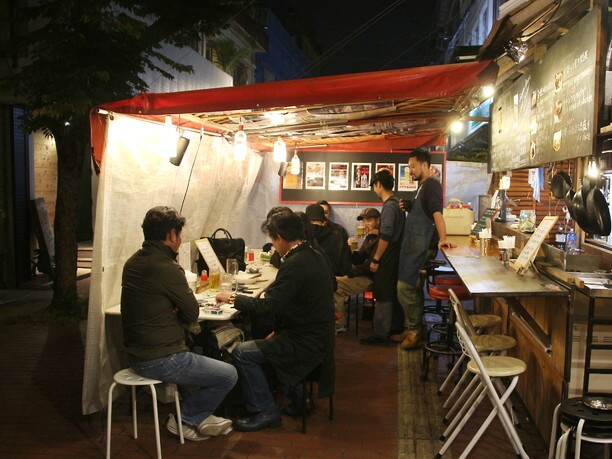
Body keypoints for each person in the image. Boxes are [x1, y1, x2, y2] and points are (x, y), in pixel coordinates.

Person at [121, 206, 238, 441]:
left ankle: (201, 417)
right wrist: (176, 309)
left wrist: (173, 309)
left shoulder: (132, 262)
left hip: (135, 353)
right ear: (172, 235)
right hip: (163, 358)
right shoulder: (167, 268)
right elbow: (192, 312)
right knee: (228, 374)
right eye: (179, 235)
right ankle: (186, 417)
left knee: (198, 354)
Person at [216, 210, 335, 432]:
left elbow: (267, 307)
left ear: (279, 237)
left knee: (242, 352)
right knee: (264, 337)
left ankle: (265, 411)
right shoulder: (314, 254)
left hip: (305, 342)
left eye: (272, 239)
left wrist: (233, 298)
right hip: (319, 335)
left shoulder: (294, 263)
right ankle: (301, 398)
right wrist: (279, 330)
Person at [393, 148, 457, 350]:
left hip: (422, 247)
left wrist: (443, 238)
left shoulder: (431, 185)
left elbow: (437, 213)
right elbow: (427, 212)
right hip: (414, 245)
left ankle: (415, 330)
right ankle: (412, 326)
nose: (409, 170)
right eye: (409, 166)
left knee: (405, 287)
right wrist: (411, 206)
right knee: (410, 287)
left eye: (412, 166)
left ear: (425, 166)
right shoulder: (422, 187)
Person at [359, 170, 404, 346]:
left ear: (378, 184)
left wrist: (376, 259)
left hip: (388, 256)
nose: (374, 190)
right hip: (394, 255)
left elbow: (386, 236)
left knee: (384, 294)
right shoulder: (396, 203)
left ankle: (380, 335)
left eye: (373, 186)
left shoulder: (389, 206)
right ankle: (390, 330)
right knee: (387, 293)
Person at [333, 207, 380, 333]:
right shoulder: (369, 238)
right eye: (363, 221)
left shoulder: (382, 239)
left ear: (378, 220)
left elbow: (371, 265)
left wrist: (354, 271)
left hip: (374, 278)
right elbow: (359, 260)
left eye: (368, 220)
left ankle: (339, 324)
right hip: (365, 274)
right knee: (331, 281)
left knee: (336, 287)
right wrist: (351, 249)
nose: (365, 224)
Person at [305, 203, 352, 276]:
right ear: (323, 221)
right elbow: (345, 262)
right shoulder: (336, 235)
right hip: (333, 280)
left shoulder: (301, 237)